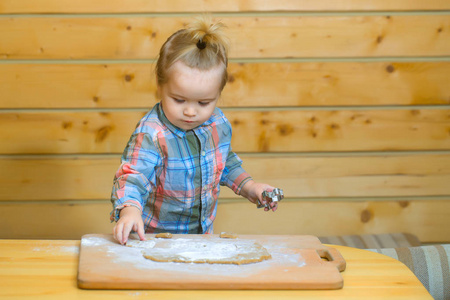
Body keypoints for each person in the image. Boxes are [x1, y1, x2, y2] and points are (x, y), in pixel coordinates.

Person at [110, 17, 279, 245]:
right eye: (179, 100)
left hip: (202, 237)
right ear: (161, 87)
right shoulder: (152, 134)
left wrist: (250, 187)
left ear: (218, 94)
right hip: (154, 239)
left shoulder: (217, 123)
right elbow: (133, 177)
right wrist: (130, 211)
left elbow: (223, 162)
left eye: (204, 103)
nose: (190, 111)